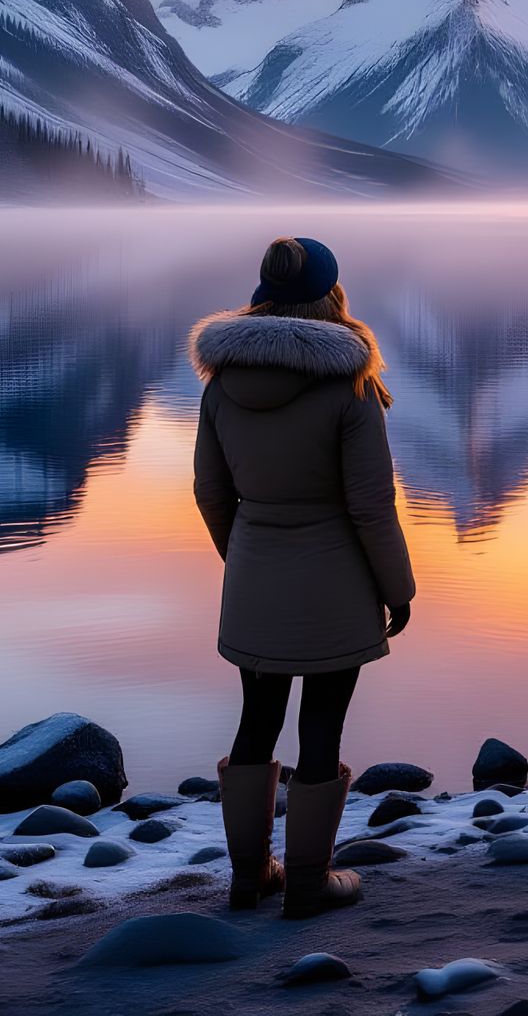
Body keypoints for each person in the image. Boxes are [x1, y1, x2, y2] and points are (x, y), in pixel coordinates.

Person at [188, 235, 414, 917]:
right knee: (322, 722)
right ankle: (310, 884)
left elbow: (209, 491)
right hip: (335, 582)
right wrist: (396, 589)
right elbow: (371, 505)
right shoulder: (349, 385)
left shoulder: (221, 383)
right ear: (331, 296)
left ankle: (248, 875)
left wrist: (246, 557)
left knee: (257, 719)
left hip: (254, 571)